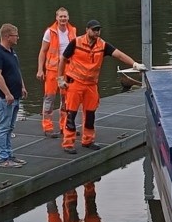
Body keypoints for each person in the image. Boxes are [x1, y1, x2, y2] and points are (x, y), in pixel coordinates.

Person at [57, 19, 140, 154]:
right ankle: (68, 143)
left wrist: (134, 64)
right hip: (75, 83)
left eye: (98, 30)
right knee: (71, 113)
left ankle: (88, 140)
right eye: (94, 29)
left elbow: (119, 55)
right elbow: (63, 59)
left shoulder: (102, 45)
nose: (97, 32)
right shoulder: (76, 43)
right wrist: (60, 78)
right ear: (87, 30)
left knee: (90, 114)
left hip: (91, 85)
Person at [35, 7, 77, 138]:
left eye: (65, 16)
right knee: (49, 98)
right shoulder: (50, 32)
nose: (63, 19)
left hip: (68, 69)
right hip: (53, 70)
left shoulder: (73, 31)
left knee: (66, 99)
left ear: (68, 17)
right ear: (56, 18)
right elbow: (42, 51)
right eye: (61, 17)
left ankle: (64, 126)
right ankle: (47, 127)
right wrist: (40, 69)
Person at [0, 23, 27, 167]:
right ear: (7, 36)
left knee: (10, 128)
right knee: (3, 127)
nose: (18, 38)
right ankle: (3, 159)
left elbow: (16, 71)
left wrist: (22, 86)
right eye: (15, 35)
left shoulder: (12, 52)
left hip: (15, 96)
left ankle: (10, 154)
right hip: (5, 98)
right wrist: (7, 93)